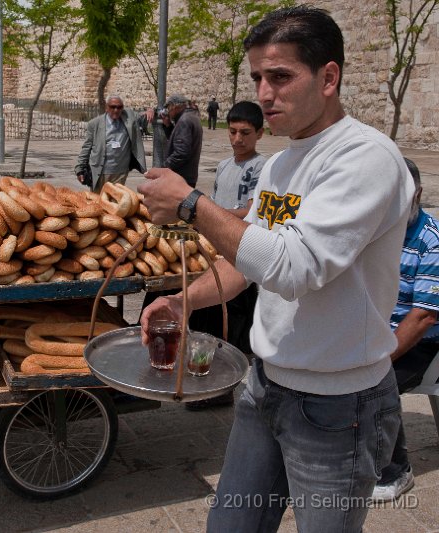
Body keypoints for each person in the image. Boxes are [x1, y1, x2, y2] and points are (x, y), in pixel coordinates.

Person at [137, 6, 413, 532]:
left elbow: (294, 268)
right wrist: (183, 301)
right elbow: (250, 261)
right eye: (258, 78)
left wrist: (192, 205)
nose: (264, 94)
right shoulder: (280, 165)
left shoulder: (365, 158)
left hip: (339, 405)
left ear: (328, 77)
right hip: (266, 385)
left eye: (280, 76)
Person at [184, 101, 267, 410]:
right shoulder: (223, 166)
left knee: (230, 329)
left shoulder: (263, 168)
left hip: (242, 256)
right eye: (232, 131)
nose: (237, 139)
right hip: (216, 254)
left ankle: (222, 389)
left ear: (259, 133)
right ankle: (207, 383)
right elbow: (216, 203)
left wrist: (213, 214)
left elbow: (250, 211)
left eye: (245, 133)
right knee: (208, 325)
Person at [372, 157, 439, 502]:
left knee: (372, 382)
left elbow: (424, 317)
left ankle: (396, 470)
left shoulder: (431, 241)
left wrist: (378, 357)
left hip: (422, 342)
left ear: (419, 194)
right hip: (377, 330)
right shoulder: (379, 232)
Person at [74, 95, 147, 193]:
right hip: (100, 171)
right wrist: (80, 169)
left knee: (115, 202)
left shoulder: (129, 117)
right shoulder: (95, 124)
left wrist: (151, 111)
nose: (116, 110)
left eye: (119, 107)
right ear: (106, 107)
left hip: (120, 171)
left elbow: (144, 116)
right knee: (97, 202)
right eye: (113, 107)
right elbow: (86, 147)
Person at [162, 94, 203, 187]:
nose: (168, 111)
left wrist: (165, 166)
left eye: (168, 108)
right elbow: (179, 140)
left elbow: (181, 152)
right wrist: (168, 126)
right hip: (189, 175)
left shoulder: (184, 120)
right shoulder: (192, 116)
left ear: (174, 106)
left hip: (181, 176)